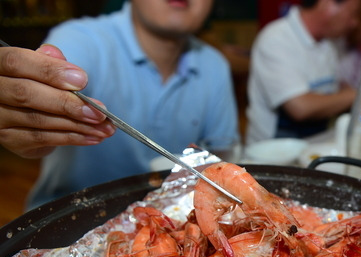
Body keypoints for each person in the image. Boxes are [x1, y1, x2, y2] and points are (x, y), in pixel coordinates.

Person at [0, 0, 240, 209]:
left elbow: (221, 159)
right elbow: (42, 88)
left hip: (176, 218)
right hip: (70, 221)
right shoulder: (81, 39)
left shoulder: (213, 65)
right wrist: (28, 118)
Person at [246, 0, 360, 144]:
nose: (354, 23)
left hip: (314, 144)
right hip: (274, 154)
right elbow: (300, 107)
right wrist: (357, 94)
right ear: (327, 4)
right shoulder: (276, 38)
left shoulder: (329, 44)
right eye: (353, 13)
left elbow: (333, 88)